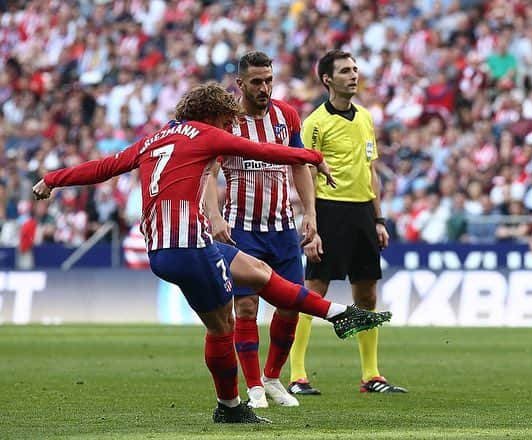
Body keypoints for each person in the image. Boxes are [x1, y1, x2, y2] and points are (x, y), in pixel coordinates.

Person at [31, 83, 392, 423]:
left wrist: (52, 179)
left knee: (257, 272)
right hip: (190, 246)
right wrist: (312, 156)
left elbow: (102, 168)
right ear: (213, 115)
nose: (230, 126)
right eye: (227, 120)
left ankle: (338, 313)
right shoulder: (206, 133)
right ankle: (230, 407)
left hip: (164, 247)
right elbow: (263, 151)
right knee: (223, 327)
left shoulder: (153, 140)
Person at [288, 50, 406, 395]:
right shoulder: (314, 123)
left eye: (355, 69)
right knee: (313, 293)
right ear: (328, 79)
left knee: (367, 294)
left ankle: (371, 376)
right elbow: (306, 171)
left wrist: (379, 218)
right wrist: (311, 222)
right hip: (328, 210)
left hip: (362, 214)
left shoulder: (366, 118)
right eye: (345, 71)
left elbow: (371, 171)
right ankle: (297, 376)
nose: (354, 75)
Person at [202, 51, 311, 409]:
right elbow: (208, 173)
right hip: (242, 230)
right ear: (240, 84)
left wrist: (310, 213)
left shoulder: (286, 116)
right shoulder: (226, 121)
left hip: (283, 229)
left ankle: (273, 377)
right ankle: (254, 388)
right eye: (256, 82)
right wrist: (215, 218)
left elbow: (299, 164)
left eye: (269, 80)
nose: (264, 88)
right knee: (246, 308)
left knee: (291, 306)